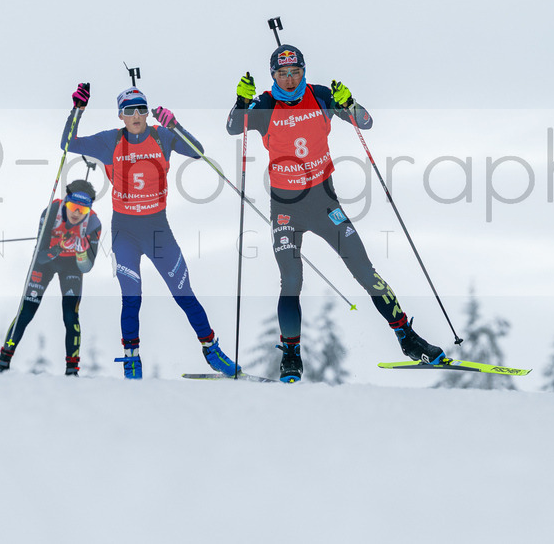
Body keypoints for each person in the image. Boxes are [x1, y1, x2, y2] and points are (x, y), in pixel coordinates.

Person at [226, 44, 447, 382]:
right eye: (282, 74)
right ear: (273, 75)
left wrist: (350, 102)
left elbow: (366, 122)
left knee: (364, 270)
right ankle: (290, 354)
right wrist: (241, 103)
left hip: (324, 202)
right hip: (286, 208)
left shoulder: (321, 96)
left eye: (295, 72)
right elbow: (232, 127)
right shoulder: (266, 104)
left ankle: (407, 337)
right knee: (292, 281)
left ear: (304, 71)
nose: (289, 79)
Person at [61, 82, 239, 379]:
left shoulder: (161, 135)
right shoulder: (110, 141)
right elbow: (68, 143)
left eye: (142, 109)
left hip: (158, 229)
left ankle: (212, 350)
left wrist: (175, 125)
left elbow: (198, 152)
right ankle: (132, 360)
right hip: (125, 232)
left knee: (183, 293)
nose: (137, 115)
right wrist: (77, 110)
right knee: (132, 296)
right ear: (120, 115)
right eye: (129, 110)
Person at [0, 179, 103, 376]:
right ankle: (3, 362)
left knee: (70, 315)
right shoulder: (51, 211)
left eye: (82, 210)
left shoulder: (93, 224)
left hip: (71, 267)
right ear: (66, 202)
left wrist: (80, 252)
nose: (76, 213)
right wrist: (59, 247)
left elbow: (86, 267)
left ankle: (72, 369)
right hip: (46, 262)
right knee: (26, 311)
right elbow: (41, 256)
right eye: (73, 207)